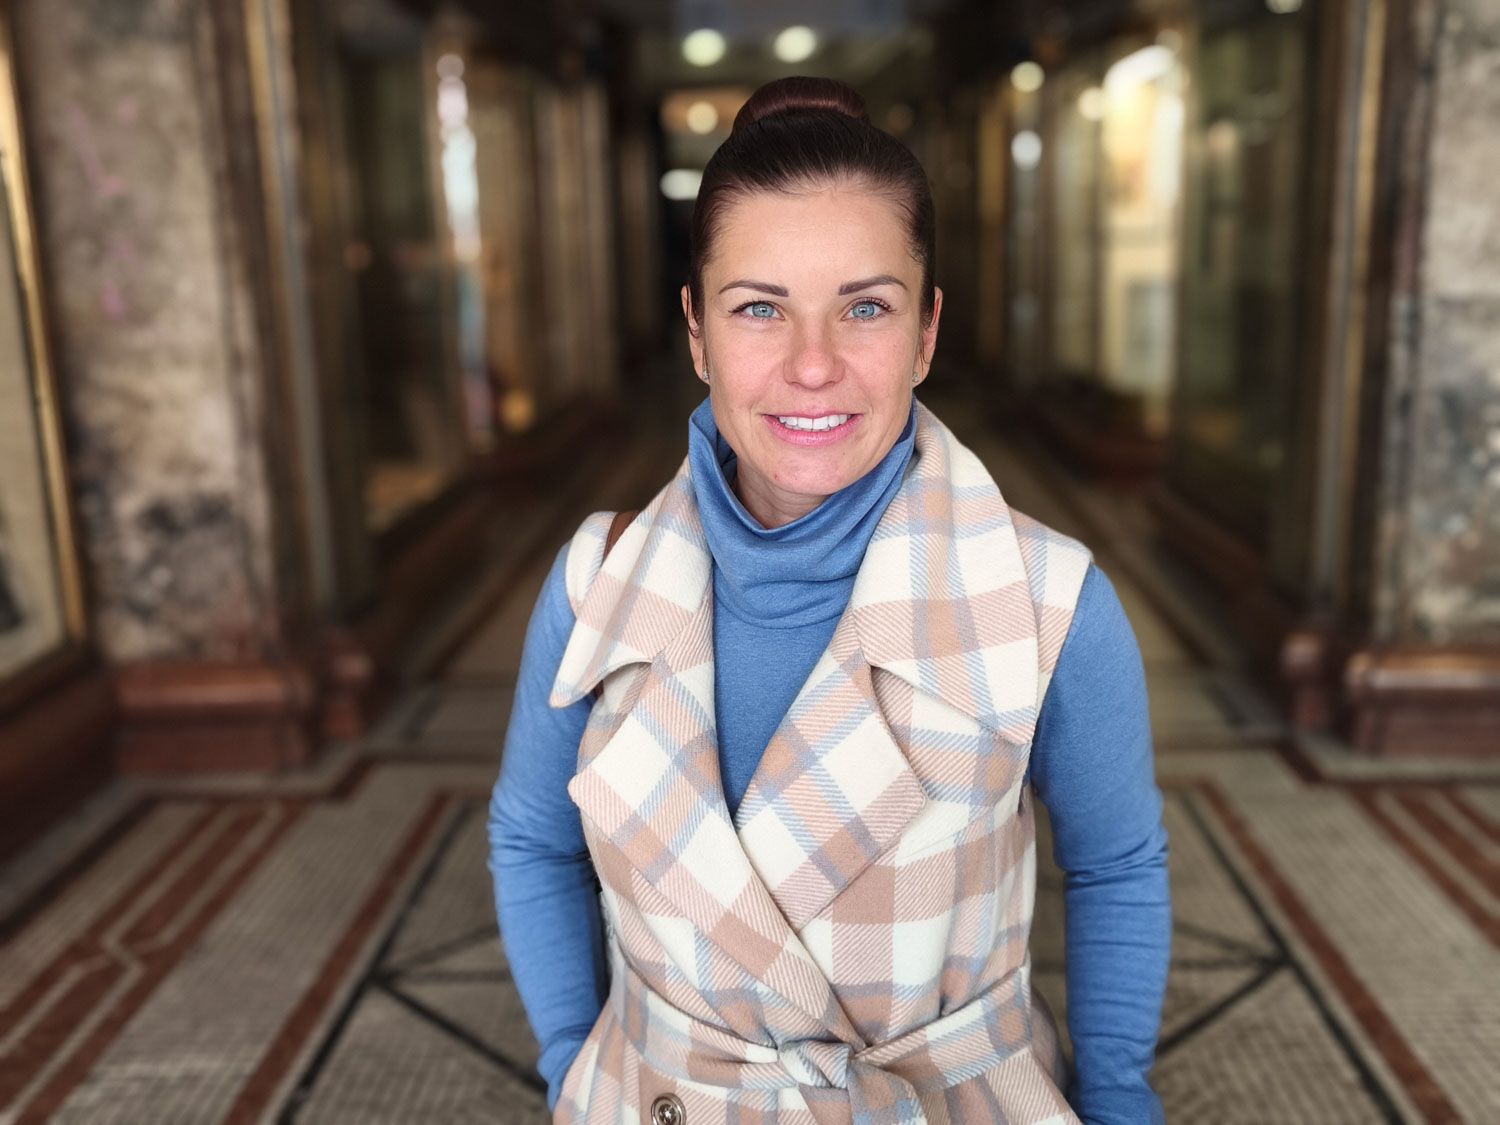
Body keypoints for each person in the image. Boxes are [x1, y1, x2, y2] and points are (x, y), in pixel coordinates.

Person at [488, 76, 1171, 1125]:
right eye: (760, 308)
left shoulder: (1048, 602)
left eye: (865, 307)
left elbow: (1117, 863)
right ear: (697, 332)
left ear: (927, 331)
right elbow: (532, 839)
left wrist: (1119, 1101)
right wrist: (575, 1068)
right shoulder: (596, 583)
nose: (813, 366)